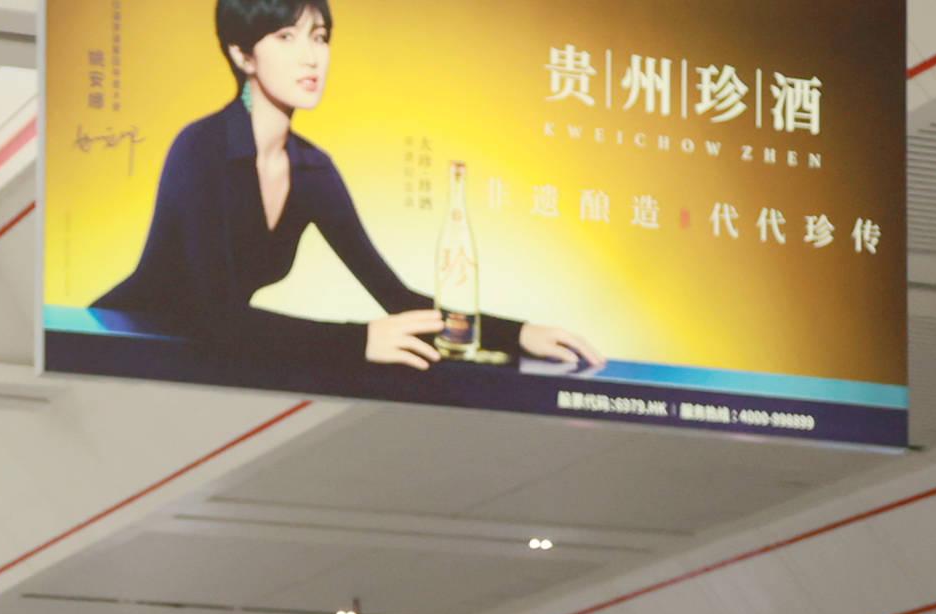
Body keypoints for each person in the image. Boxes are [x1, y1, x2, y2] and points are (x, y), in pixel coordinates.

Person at [92, 0, 607, 378]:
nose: (311, 57)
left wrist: (517, 333)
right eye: (286, 37)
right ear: (243, 55)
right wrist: (357, 341)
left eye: (319, 38)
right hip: (113, 346)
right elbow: (217, 316)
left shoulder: (312, 170)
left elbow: (397, 299)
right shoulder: (201, 149)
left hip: (196, 365)